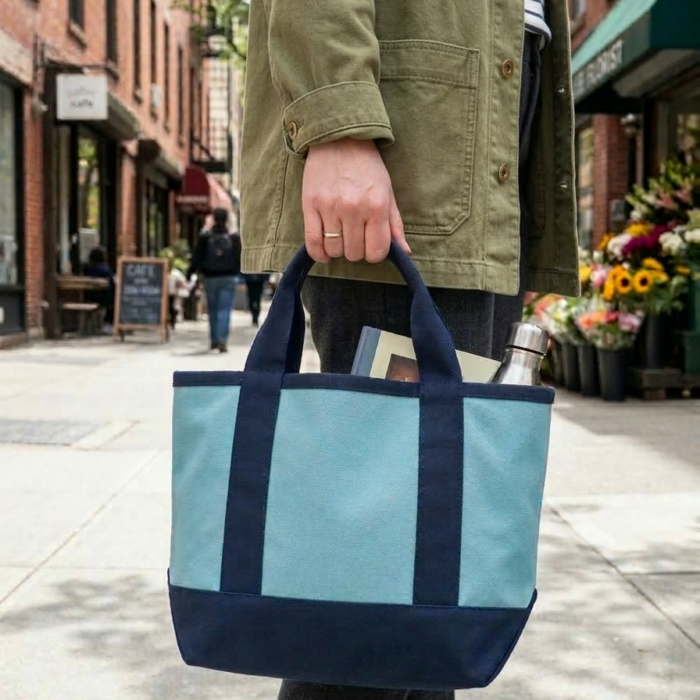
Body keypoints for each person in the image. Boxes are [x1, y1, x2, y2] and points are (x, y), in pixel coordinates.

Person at [240, 1, 579, 698]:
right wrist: (337, 124)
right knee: (373, 601)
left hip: (495, 105)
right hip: (414, 135)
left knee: (428, 599)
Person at [187, 208, 241, 352]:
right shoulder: (233, 238)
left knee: (213, 309)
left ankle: (214, 340)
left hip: (210, 277)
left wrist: (190, 273)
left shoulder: (206, 237)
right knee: (225, 309)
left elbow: (197, 257)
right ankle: (222, 340)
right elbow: (239, 257)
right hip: (228, 277)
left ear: (214, 219)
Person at [83, 246, 115, 334]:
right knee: (115, 301)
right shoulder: (105, 268)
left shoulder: (87, 269)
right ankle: (108, 324)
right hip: (103, 298)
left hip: (89, 298)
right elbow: (112, 280)